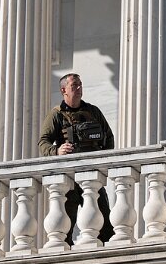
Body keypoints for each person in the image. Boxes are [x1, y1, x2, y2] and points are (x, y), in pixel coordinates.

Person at [38, 73, 115, 244]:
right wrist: (57, 151)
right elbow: (43, 143)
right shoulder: (56, 115)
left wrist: (103, 160)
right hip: (69, 178)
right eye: (74, 86)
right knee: (66, 225)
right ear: (63, 90)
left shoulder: (93, 111)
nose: (79, 88)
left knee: (105, 223)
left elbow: (109, 137)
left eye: (80, 85)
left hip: (93, 175)